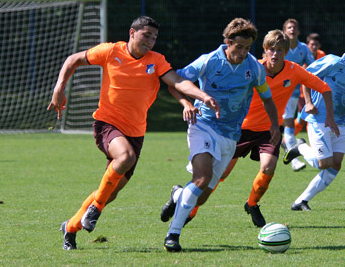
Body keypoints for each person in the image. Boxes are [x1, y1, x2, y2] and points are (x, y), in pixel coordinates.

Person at [49, 16, 219, 251]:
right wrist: (59, 87)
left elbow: (177, 81)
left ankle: (70, 227)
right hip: (106, 124)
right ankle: (95, 210)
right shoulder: (110, 51)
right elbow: (73, 59)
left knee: (110, 193)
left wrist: (201, 96)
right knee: (124, 158)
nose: (150, 41)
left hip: (135, 134)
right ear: (132, 32)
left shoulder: (156, 60)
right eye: (146, 35)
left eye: (154, 38)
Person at [169, 30, 339, 228]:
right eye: (271, 50)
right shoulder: (250, 68)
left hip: (269, 130)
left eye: (280, 51)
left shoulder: (294, 71)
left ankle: (252, 204)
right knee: (220, 175)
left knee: (268, 168)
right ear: (265, 51)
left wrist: (328, 116)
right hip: (239, 129)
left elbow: (324, 87)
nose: (275, 54)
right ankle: (190, 208)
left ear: (286, 53)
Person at [159, 18, 281, 252]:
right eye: (239, 47)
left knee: (201, 196)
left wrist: (274, 125)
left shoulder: (253, 67)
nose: (243, 53)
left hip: (230, 135)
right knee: (201, 178)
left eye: (247, 48)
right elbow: (175, 81)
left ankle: (178, 195)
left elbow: (267, 98)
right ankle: (173, 235)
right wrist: (187, 103)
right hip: (202, 124)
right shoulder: (209, 61)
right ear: (227, 42)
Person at [289, 34, 345, 211]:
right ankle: (300, 147)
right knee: (323, 163)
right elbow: (305, 77)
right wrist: (308, 103)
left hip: (340, 122)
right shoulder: (333, 62)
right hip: (319, 118)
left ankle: (301, 201)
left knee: (336, 164)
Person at [281, 19, 315, 171]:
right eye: (289, 28)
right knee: (273, 127)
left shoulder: (303, 48)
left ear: (299, 32)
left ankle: (293, 158)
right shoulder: (279, 47)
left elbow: (313, 67)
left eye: (294, 28)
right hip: (276, 92)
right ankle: (288, 147)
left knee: (289, 124)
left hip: (293, 94)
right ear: (284, 31)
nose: (292, 30)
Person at [294, 33, 328, 136]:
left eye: (316, 44)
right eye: (312, 44)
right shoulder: (302, 55)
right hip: (303, 93)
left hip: (317, 93)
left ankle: (313, 142)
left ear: (319, 46)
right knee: (301, 120)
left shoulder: (322, 55)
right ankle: (286, 140)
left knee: (312, 118)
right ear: (307, 44)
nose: (314, 47)